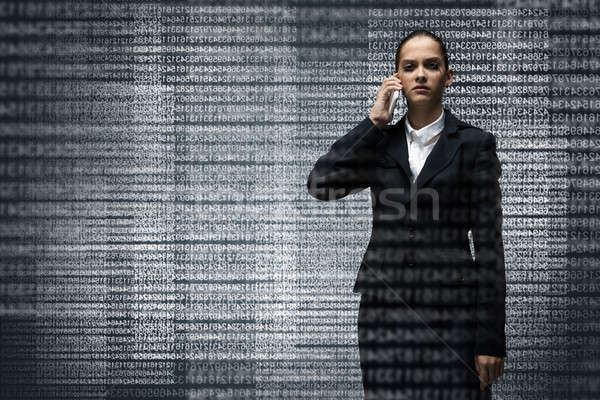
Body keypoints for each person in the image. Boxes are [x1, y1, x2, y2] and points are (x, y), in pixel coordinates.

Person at [306, 30, 506, 400]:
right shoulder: (380, 142)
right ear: (397, 77)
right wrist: (375, 120)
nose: (420, 74)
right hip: (385, 315)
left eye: (431, 66)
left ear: (447, 76)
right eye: (409, 67)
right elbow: (321, 184)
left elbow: (490, 246)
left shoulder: (475, 144)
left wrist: (491, 338)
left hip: (454, 317)